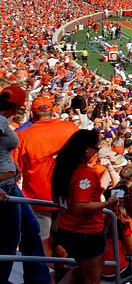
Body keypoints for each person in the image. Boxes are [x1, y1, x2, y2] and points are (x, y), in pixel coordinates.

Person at [50, 128, 119, 284]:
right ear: (86, 149)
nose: (97, 152)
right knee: (92, 278)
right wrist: (108, 203)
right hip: (87, 233)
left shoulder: (64, 168)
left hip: (67, 229)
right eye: (96, 148)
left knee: (81, 270)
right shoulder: (85, 173)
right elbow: (80, 206)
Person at [13, 94, 78, 257]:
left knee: (42, 242)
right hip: (69, 195)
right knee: (66, 241)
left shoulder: (24, 135)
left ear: (33, 115)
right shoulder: (71, 128)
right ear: (53, 111)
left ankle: (49, 276)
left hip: (38, 198)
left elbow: (15, 172)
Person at [0, 85, 51, 284]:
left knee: (31, 227)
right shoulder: (2, 120)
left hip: (11, 185)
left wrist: (12, 163)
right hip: (4, 188)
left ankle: (38, 278)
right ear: (17, 108)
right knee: (9, 241)